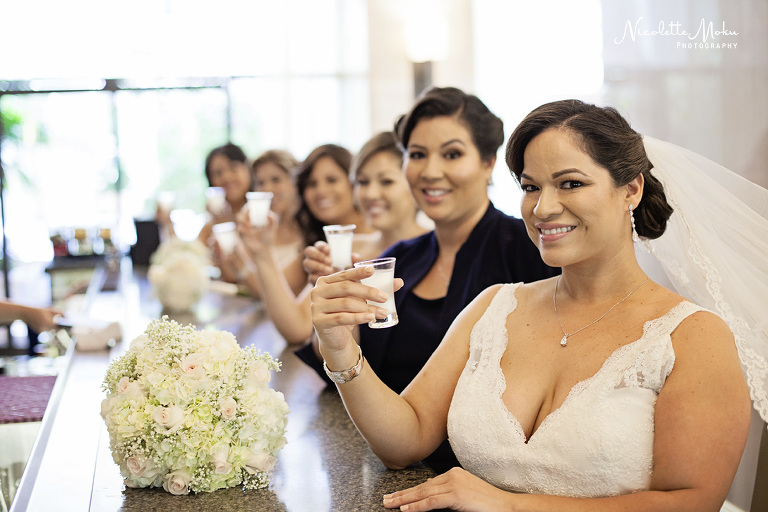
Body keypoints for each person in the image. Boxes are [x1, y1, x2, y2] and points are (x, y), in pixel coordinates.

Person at [310, 99, 761, 510]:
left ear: (631, 189)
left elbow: (692, 502)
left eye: (570, 183)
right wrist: (338, 347)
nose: (543, 208)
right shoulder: (494, 306)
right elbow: (403, 440)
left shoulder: (694, 335)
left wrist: (509, 506)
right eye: (530, 187)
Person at [299, 87, 558, 472]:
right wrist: (338, 314)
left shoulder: (528, 251)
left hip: (482, 477)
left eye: (451, 154)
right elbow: (351, 357)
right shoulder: (402, 257)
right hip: (385, 451)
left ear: (488, 163)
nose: (430, 171)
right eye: (417, 155)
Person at [236, 144, 377, 344]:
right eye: (312, 183)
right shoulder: (321, 249)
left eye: (332, 180)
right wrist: (261, 252)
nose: (321, 191)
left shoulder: (380, 238)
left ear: (353, 182)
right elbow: (297, 328)